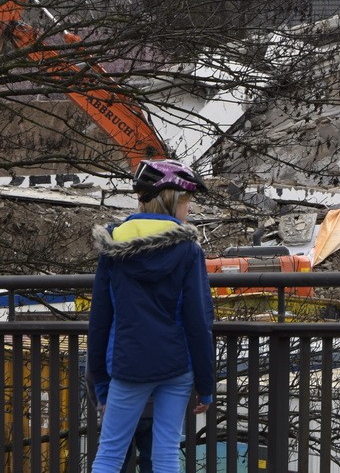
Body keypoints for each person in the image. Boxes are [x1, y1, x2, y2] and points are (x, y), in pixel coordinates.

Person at [88, 159, 216, 473]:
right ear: (172, 200)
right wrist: (206, 383)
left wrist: (100, 383)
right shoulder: (188, 251)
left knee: (109, 455)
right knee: (166, 456)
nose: (189, 211)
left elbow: (100, 320)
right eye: (187, 202)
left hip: (128, 365)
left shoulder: (114, 248)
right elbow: (198, 321)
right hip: (175, 366)